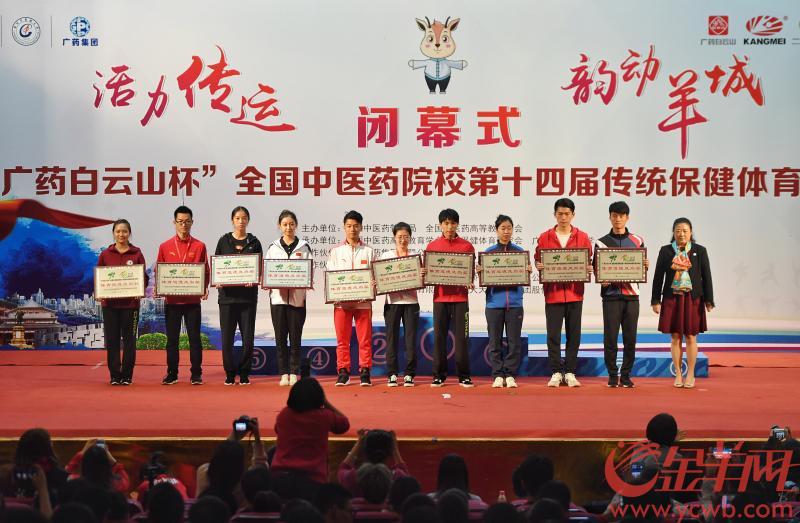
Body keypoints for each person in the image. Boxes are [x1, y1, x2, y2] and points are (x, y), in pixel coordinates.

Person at [534, 198, 592, 388]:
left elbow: (589, 260)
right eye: (560, 214)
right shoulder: (545, 237)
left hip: (575, 293)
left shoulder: (583, 237)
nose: (563, 217)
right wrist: (539, 265)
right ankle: (556, 372)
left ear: (573, 215)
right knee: (553, 335)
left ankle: (571, 371)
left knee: (574, 335)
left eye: (567, 214)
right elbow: (538, 258)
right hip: (553, 294)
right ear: (555, 215)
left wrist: (589, 268)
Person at [651, 218, 714, 389]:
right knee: (675, 336)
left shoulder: (700, 251)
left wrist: (709, 300)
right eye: (678, 230)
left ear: (691, 232)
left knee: (691, 336)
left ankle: (691, 373)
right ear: (673, 232)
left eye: (685, 230)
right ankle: (678, 373)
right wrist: (655, 300)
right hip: (672, 298)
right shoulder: (666, 251)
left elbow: (706, 276)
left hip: (693, 298)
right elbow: (658, 277)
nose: (681, 234)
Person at [594, 202, 648, 389]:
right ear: (610, 217)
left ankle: (625, 375)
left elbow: (640, 267)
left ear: (627, 217)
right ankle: (612, 375)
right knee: (610, 338)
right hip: (611, 296)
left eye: (622, 216)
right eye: (615, 215)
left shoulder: (638, 241)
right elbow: (597, 269)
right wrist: (601, 279)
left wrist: (644, 266)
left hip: (632, 296)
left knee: (630, 338)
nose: (618, 219)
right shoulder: (601, 242)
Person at [156, 205, 209, 386]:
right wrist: (158, 288)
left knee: (195, 339)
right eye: (180, 221)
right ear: (174, 222)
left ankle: (196, 374)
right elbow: (159, 271)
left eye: (187, 221)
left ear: (192, 222)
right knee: (172, 340)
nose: (183, 225)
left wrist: (205, 288)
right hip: (172, 301)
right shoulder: (165, 246)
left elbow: (206, 270)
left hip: (193, 301)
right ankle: (172, 373)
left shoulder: (200, 246)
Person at [477, 215, 531, 388]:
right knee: (495, 341)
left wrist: (527, 271)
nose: (506, 231)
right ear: (497, 230)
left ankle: (510, 374)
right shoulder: (488, 253)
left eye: (509, 228)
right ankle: (498, 375)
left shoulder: (520, 253)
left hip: (515, 304)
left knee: (514, 342)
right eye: (503, 228)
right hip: (494, 304)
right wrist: (481, 272)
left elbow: (524, 275)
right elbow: (484, 279)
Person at [426, 209, 475, 388]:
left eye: (453, 223)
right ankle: (438, 375)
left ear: (457, 224)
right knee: (439, 338)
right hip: (440, 299)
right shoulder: (432, 247)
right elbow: (428, 273)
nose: (449, 227)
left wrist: (470, 281)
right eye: (446, 223)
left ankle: (464, 376)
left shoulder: (467, 246)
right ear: (440, 225)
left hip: (461, 299)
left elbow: (470, 273)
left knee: (462, 339)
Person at [214, 206, 263, 385]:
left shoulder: (254, 242)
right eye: (237, 218)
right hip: (227, 298)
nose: (241, 221)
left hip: (247, 298)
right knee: (227, 338)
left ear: (248, 220)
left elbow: (259, 268)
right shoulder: (223, 241)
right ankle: (229, 373)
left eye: (244, 218)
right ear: (232, 220)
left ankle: (244, 373)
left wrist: (254, 278)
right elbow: (217, 266)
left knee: (247, 338)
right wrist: (218, 280)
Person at [96, 219, 148, 385]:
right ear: (113, 233)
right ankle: (114, 376)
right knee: (112, 340)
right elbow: (99, 278)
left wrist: (140, 290)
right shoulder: (105, 254)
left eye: (124, 231)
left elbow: (144, 277)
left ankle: (127, 376)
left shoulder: (137, 254)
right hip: (110, 306)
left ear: (129, 233)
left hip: (131, 306)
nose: (121, 234)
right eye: (118, 231)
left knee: (129, 340)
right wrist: (99, 292)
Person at [327, 210, 375, 386]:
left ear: (361, 227)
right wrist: (334, 294)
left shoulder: (369, 251)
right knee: (342, 340)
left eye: (355, 226)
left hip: (363, 304)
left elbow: (375, 277)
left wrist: (373, 285)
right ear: (344, 227)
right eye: (349, 226)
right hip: (342, 304)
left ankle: (365, 371)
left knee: (365, 340)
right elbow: (331, 277)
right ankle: (343, 372)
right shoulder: (335, 252)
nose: (352, 229)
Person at [271, 378, 350, 485]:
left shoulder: (284, 414)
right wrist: (326, 403)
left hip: (281, 477)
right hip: (314, 479)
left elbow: (277, 430)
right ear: (319, 397)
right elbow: (344, 424)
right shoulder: (324, 416)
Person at [264, 210, 312, 387]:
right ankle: (284, 373)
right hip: (278, 299)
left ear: (296, 225)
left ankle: (294, 372)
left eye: (291, 224)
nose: (288, 227)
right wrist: (268, 282)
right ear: (280, 226)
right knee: (280, 337)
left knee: (295, 338)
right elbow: (267, 270)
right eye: (285, 224)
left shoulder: (304, 247)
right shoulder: (273, 247)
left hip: (297, 300)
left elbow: (310, 270)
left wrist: (306, 281)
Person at [380, 222, 422, 387]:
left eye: (406, 236)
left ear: (410, 238)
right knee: (391, 339)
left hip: (411, 302)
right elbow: (380, 276)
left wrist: (423, 274)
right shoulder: (386, 256)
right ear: (394, 237)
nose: (403, 240)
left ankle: (409, 374)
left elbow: (422, 279)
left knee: (410, 340)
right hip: (392, 303)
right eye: (400, 237)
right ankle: (392, 374)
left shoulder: (415, 257)